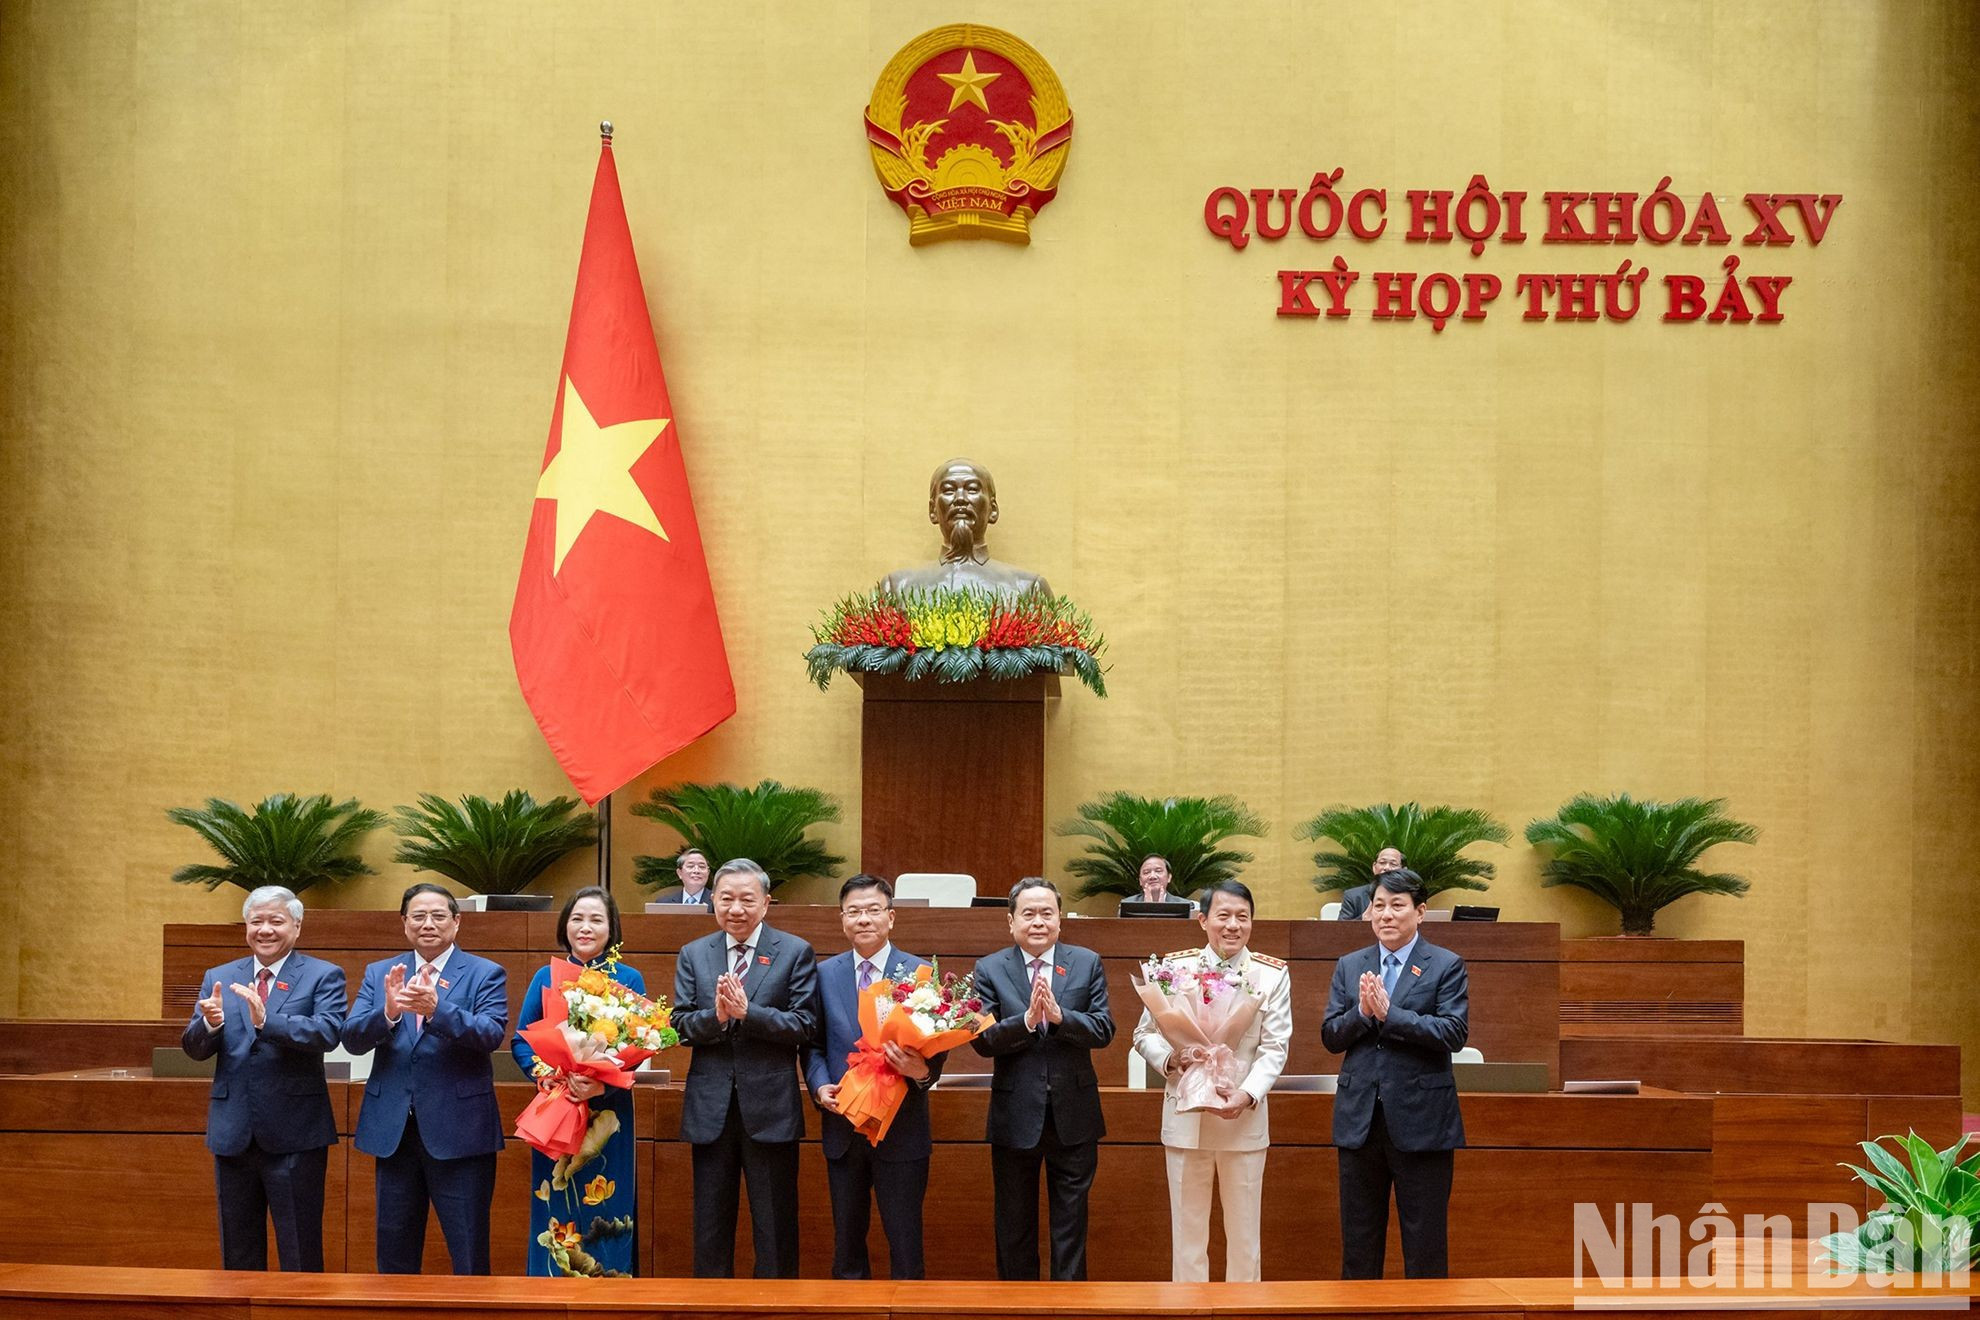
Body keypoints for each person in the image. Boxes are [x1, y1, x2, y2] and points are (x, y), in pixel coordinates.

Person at [343, 882, 509, 1275]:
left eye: (438, 915)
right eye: (418, 916)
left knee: (468, 1251)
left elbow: (490, 1034)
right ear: (404, 923)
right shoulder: (381, 972)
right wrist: (386, 1013)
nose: (428, 924)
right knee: (394, 1253)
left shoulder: (485, 972)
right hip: (394, 1133)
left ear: (456, 921)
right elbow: (351, 1038)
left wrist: (438, 1011)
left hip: (461, 1133)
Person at [1131, 880, 1291, 1282]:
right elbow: (1144, 1034)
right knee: (1187, 1238)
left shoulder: (1270, 975)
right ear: (1203, 920)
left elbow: (1274, 1047)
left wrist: (1247, 1093)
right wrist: (1171, 1058)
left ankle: (1246, 1313)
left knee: (1244, 1239)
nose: (1233, 925)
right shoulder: (1173, 968)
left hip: (1242, 1119)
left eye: (1242, 917)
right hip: (1185, 1120)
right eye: (1223, 916)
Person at [181, 885, 347, 1272]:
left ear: (297, 926)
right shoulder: (219, 976)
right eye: (257, 921)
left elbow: (327, 1032)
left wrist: (266, 1021)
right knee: (237, 1252)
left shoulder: (323, 975)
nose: (265, 930)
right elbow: (194, 1048)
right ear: (246, 927)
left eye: (276, 921)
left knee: (300, 1251)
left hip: (296, 1134)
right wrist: (210, 1023)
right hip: (233, 1132)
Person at [673, 858, 819, 1278]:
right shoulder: (694, 954)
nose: (736, 909)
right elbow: (680, 1025)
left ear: (766, 903)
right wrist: (717, 1017)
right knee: (710, 1228)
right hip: (710, 1109)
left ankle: (776, 1307)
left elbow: (805, 1025)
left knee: (774, 1227)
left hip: (770, 1109)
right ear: (713, 902)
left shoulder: (793, 951)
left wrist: (748, 1012)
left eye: (746, 899)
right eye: (726, 899)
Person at [1321, 867, 1468, 1279]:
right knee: (1359, 1242)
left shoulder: (1445, 964)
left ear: (1420, 912)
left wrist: (1392, 1015)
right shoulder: (1351, 965)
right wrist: (1364, 1013)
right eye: (1378, 906)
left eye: (1397, 906)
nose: (1386, 914)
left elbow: (1454, 1032)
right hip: (1360, 1122)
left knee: (1424, 1245)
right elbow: (1331, 1035)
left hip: (1423, 1122)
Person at [971, 876, 1115, 1280]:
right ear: (1011, 922)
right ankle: (1018, 1307)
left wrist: (1060, 1017)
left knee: (1070, 1227)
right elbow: (981, 1040)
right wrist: (1027, 1021)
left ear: (1060, 919)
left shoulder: (1086, 961)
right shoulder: (990, 968)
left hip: (1075, 1116)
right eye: (1028, 913)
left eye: (1047, 913)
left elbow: (1104, 1030)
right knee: (1014, 1227)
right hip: (1015, 1116)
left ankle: (1069, 1307)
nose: (1038, 922)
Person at [804, 874, 945, 1279]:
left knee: (905, 1243)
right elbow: (811, 1044)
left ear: (891, 917)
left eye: (873, 910)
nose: (863, 919)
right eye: (854, 912)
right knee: (847, 1245)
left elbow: (939, 1043)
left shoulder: (918, 973)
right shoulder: (824, 973)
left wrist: (921, 1072)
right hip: (843, 1126)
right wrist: (817, 1086)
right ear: (842, 919)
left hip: (902, 1129)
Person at [512, 885, 642, 1277]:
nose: (585, 927)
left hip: (610, 1110)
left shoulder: (629, 977)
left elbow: (640, 1042)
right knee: (556, 1203)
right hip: (557, 1106)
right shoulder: (544, 975)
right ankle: (551, 1296)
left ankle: (610, 1297)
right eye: (577, 919)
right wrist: (551, 1077)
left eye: (596, 920)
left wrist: (603, 1083)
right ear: (565, 924)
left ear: (611, 927)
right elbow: (522, 1040)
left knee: (609, 1204)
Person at [877, 458, 1053, 600]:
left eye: (972, 489)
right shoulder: (897, 587)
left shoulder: (1028, 588)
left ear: (993, 510)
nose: (960, 498)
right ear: (933, 511)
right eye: (948, 490)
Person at [1336, 846, 1406, 920]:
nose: (1387, 868)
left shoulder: (1411, 896)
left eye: (1393, 864)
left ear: (1404, 870)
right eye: (1382, 862)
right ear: (1374, 867)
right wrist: (1363, 918)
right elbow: (1340, 929)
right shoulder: (1353, 896)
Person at [1131, 854, 1196, 911]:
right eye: (1146, 872)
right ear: (1140, 880)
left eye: (1158, 871)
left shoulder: (1185, 906)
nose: (1152, 876)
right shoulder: (1128, 904)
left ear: (1169, 877)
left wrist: (1162, 911)